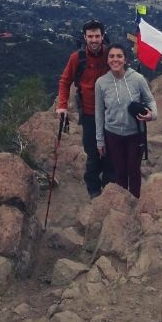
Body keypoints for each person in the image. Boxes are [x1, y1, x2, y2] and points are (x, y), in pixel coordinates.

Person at [56, 20, 115, 198]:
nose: (94, 40)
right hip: (89, 113)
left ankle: (109, 185)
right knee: (93, 153)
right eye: (90, 36)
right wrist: (62, 106)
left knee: (111, 152)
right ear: (85, 37)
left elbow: (123, 76)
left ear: (103, 37)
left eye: (97, 36)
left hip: (111, 112)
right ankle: (93, 189)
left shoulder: (110, 55)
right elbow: (65, 81)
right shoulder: (78, 58)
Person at [94, 44, 157, 198]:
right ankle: (123, 203)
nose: (115, 59)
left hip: (135, 133)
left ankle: (135, 200)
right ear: (107, 60)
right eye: (112, 56)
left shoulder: (137, 78)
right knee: (119, 171)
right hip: (112, 134)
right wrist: (100, 140)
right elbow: (99, 113)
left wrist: (152, 115)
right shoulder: (101, 83)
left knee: (134, 170)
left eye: (119, 56)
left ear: (125, 59)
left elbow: (150, 100)